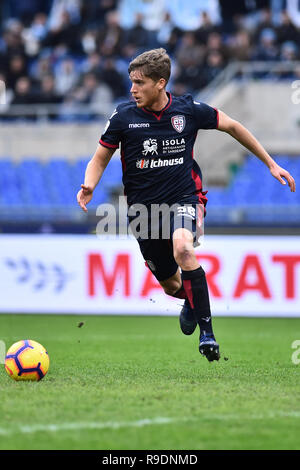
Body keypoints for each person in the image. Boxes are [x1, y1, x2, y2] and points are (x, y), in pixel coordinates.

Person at [77, 48, 296, 362]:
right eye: (131, 82)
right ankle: (192, 301)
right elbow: (99, 158)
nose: (132, 89)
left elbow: (233, 126)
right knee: (170, 285)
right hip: (144, 213)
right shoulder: (124, 117)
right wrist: (89, 184)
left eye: (139, 82)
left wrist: (271, 164)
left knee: (183, 249)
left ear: (160, 83)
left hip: (185, 198)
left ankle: (208, 335)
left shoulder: (188, 111)